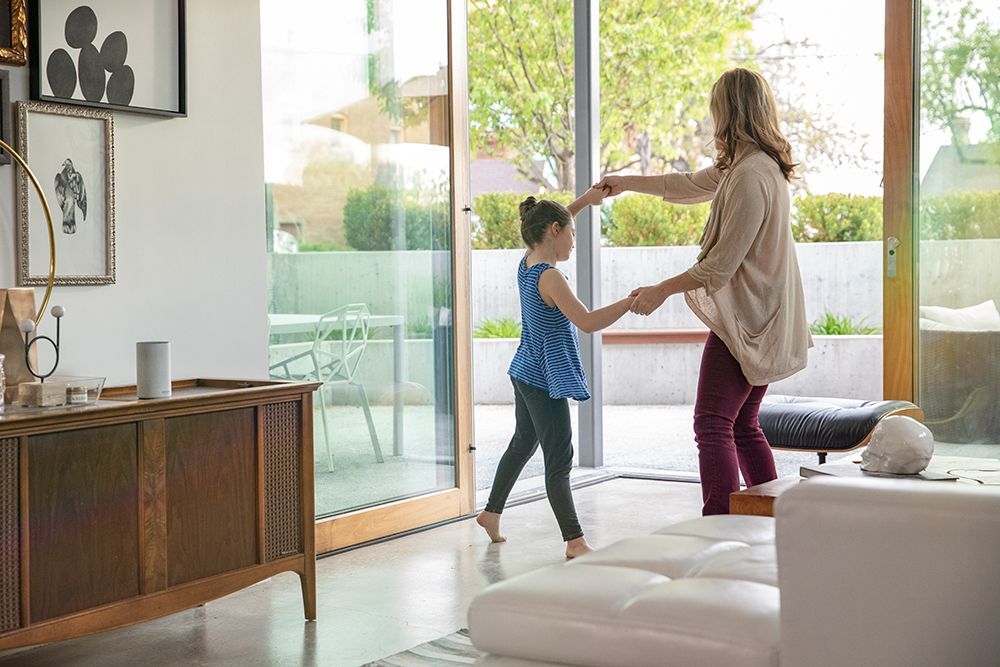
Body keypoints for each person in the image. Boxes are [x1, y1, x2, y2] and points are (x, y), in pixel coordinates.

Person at [594, 67, 812, 515]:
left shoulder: (752, 175)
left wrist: (661, 289)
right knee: (744, 425)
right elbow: (691, 183)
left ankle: (721, 525)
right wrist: (626, 182)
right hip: (759, 317)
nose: (712, 120)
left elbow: (720, 265)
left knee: (712, 423)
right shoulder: (746, 167)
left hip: (748, 320)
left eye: (716, 109)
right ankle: (772, 519)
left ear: (731, 112)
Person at [476, 187, 633, 558]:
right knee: (559, 460)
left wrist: (586, 200)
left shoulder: (527, 260)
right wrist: (630, 302)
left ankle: (490, 512)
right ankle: (575, 541)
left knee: (523, 443)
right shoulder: (551, 278)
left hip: (524, 369)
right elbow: (589, 321)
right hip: (543, 379)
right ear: (555, 230)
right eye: (572, 233)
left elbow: (558, 218)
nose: (575, 241)